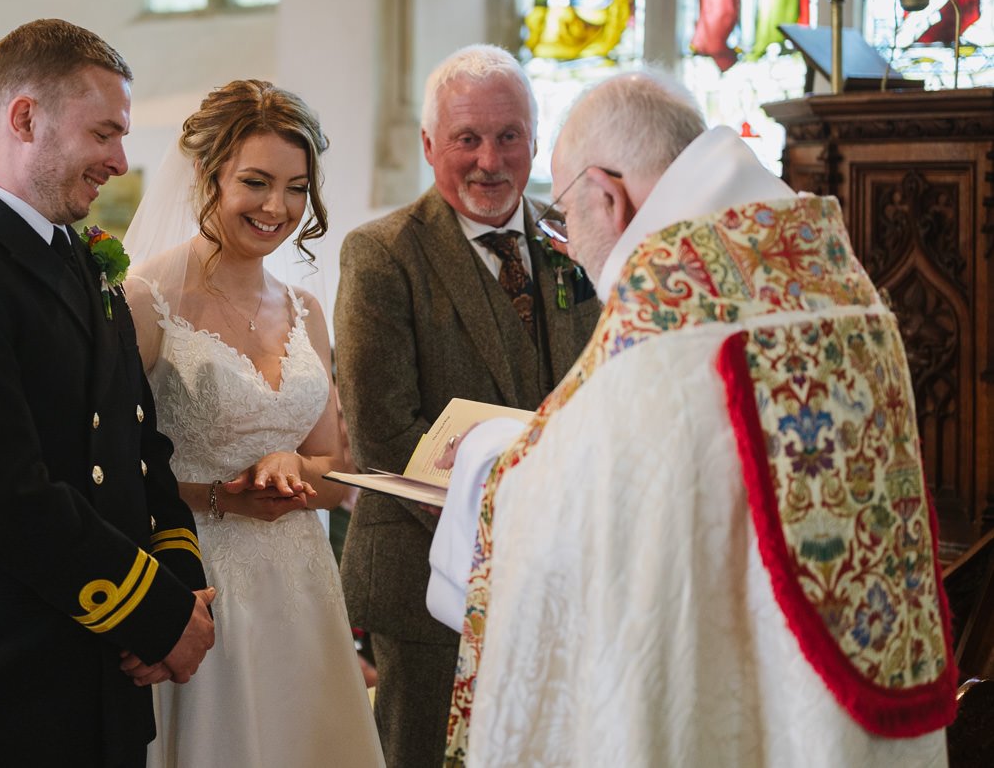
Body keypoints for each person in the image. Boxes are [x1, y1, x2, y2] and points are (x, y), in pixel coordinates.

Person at [437, 72, 957, 766]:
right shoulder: (834, 277)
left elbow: (567, 506)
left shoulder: (666, 332)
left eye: (564, 211)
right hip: (848, 699)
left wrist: (486, 457)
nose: (569, 239)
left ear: (606, 194)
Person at [0, 18, 215, 767]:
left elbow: (140, 447)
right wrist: (155, 612)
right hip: (3, 697)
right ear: (26, 118)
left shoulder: (83, 263)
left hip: (105, 684)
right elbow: (3, 498)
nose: (121, 160)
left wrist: (181, 585)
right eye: (104, 134)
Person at [334, 44, 600, 768]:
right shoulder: (382, 255)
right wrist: (505, 528)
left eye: (509, 135)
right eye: (467, 139)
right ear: (428, 145)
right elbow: (386, 433)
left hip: (562, 568)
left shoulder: (576, 239)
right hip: (431, 578)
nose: (491, 159)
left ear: (535, 140)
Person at [124, 79, 383, 768]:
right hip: (199, 582)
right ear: (208, 176)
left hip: (302, 591)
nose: (278, 207)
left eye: (297, 188)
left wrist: (298, 468)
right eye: (257, 182)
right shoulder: (145, 302)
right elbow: (119, 472)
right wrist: (220, 495)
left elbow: (336, 471)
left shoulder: (305, 309)